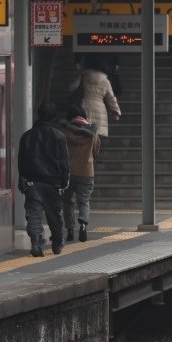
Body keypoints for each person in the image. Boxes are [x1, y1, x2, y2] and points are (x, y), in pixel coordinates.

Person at [17, 102, 69, 257]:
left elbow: (21, 161)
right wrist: (64, 181)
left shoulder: (27, 136)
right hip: (52, 183)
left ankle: (36, 241)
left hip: (32, 182)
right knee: (54, 215)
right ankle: (57, 242)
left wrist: (22, 180)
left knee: (33, 214)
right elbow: (64, 162)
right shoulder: (59, 136)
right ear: (54, 116)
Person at [60, 104, 101, 243]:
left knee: (67, 201)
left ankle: (70, 229)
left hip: (68, 172)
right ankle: (83, 224)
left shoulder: (64, 132)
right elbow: (96, 153)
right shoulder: (93, 135)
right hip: (87, 172)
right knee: (84, 201)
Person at [71, 54, 121, 139]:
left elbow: (72, 87)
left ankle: (86, 151)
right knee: (96, 138)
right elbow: (111, 98)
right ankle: (94, 151)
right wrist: (116, 111)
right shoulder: (105, 81)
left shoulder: (84, 76)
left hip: (84, 107)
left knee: (84, 136)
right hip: (100, 110)